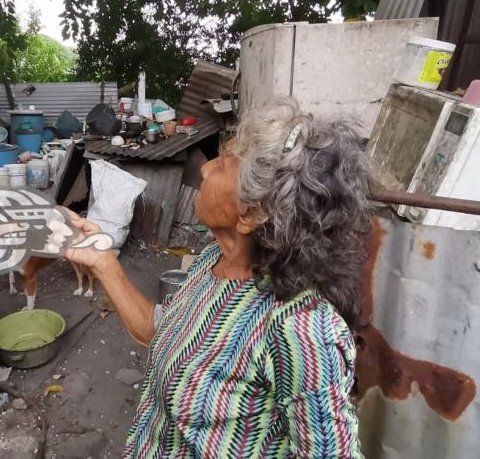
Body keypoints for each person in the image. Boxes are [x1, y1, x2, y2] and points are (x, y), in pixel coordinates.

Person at [64, 98, 371, 458]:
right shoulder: (213, 260)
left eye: (224, 163)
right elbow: (163, 331)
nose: (207, 168)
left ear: (251, 213)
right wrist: (103, 262)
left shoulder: (300, 329)